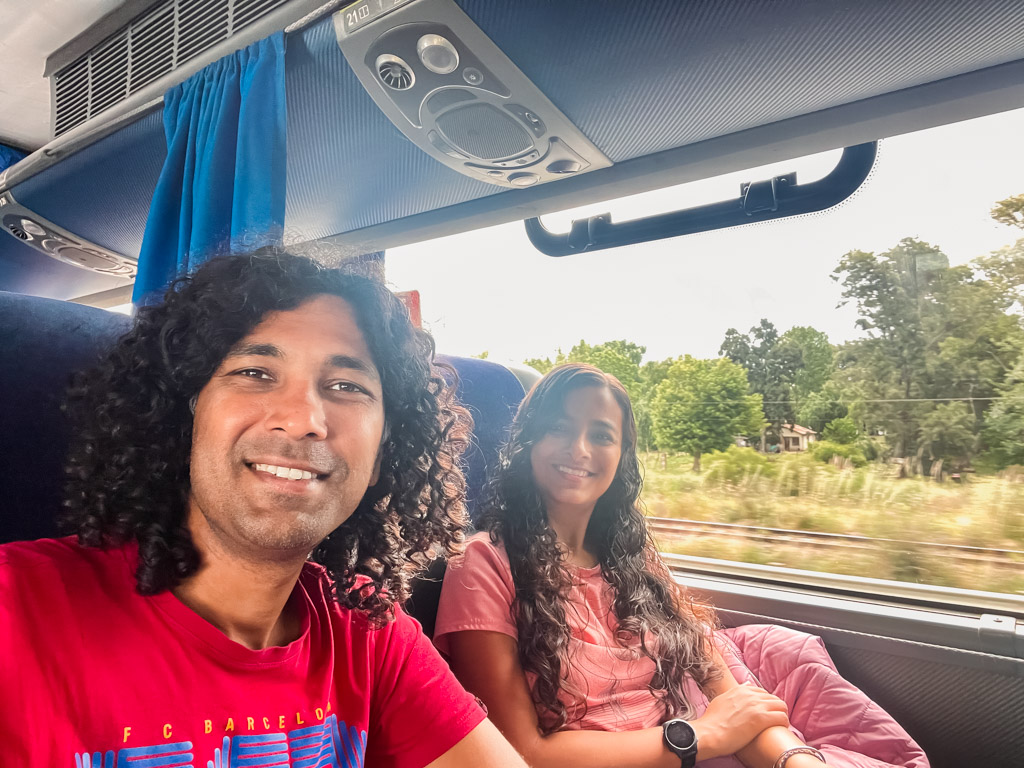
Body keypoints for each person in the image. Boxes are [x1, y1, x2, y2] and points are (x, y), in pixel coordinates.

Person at [0, 251, 527, 768]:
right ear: (185, 411)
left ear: (386, 440)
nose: (304, 419)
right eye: (255, 372)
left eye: (346, 386)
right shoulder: (17, 609)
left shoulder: (367, 629)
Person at [434, 363, 929, 768]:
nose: (580, 449)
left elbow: (725, 690)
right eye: (559, 428)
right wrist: (700, 736)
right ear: (526, 444)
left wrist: (794, 761)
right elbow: (523, 753)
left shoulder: (632, 558)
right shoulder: (482, 565)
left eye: (601, 434)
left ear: (622, 455)